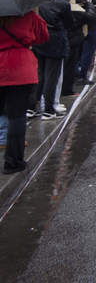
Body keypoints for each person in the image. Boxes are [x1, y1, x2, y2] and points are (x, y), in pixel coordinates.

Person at [1, 11, 48, 174]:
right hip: (20, 69)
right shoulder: (27, 14)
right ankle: (13, 161)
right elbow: (43, 36)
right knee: (17, 116)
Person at [29, 0, 73, 120]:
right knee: (52, 76)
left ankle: (31, 107)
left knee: (39, 75)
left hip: (40, 40)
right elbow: (69, 23)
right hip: (55, 41)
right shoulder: (64, 4)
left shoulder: (41, 2)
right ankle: (49, 109)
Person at [62, 0, 90, 96]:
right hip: (72, 39)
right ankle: (66, 89)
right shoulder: (67, 6)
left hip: (69, 38)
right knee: (69, 66)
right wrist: (88, 6)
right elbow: (87, 17)